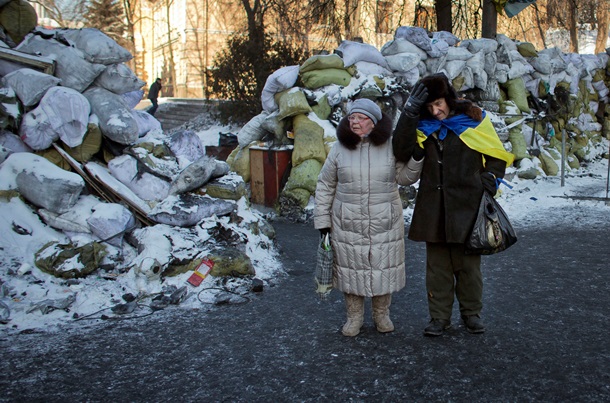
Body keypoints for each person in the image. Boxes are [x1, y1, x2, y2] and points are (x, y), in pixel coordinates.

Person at [392, 73, 514, 337]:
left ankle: (471, 314)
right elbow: (400, 150)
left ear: (448, 98)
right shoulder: (422, 126)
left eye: (439, 104)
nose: (435, 112)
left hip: (467, 205)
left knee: (468, 267)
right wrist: (410, 112)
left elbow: (496, 155)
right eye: (429, 107)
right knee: (437, 269)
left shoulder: (473, 120)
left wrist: (488, 181)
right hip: (433, 207)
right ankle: (439, 317)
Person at [314, 98, 423, 337]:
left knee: (382, 267)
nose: (354, 122)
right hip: (347, 221)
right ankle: (354, 318)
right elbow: (325, 184)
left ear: (373, 122)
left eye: (361, 118)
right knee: (351, 268)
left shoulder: (391, 146)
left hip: (384, 220)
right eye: (352, 117)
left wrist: (416, 158)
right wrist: (323, 222)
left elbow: (404, 178)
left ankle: (381, 314)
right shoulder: (339, 148)